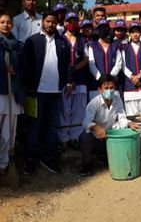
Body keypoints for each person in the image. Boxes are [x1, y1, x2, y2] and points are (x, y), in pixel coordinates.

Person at [23, 12, 73, 175]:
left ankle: (49, 158)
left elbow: (67, 64)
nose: (51, 24)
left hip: (56, 92)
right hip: (36, 91)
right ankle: (30, 160)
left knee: (52, 127)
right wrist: (27, 86)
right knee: (34, 127)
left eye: (53, 22)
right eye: (48, 21)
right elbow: (26, 65)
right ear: (42, 22)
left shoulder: (62, 42)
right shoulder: (33, 41)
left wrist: (68, 81)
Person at [79, 74, 139, 176]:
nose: (109, 91)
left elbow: (121, 118)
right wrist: (96, 128)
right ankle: (86, 165)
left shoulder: (117, 100)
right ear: (100, 90)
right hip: (95, 138)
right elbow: (85, 122)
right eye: (106, 88)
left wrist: (129, 123)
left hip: (109, 138)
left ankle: (105, 158)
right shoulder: (94, 103)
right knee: (84, 137)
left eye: (111, 88)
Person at [58, 12, 88, 150]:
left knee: (78, 111)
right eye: (70, 21)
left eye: (75, 21)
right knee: (64, 110)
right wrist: (68, 78)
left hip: (80, 79)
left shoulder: (82, 39)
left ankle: (75, 137)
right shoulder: (60, 39)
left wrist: (74, 69)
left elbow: (86, 59)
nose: (73, 23)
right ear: (65, 22)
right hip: (63, 80)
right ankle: (64, 138)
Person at [0, 13, 24, 174]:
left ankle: (5, 162)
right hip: (0, 91)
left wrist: (15, 71)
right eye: (2, 22)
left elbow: (25, 67)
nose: (5, 25)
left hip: (13, 90)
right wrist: (3, 68)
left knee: (10, 131)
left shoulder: (18, 45)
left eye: (8, 22)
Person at [87, 19, 122, 101]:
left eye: (105, 27)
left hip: (112, 84)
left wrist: (111, 76)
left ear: (109, 30)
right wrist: (100, 77)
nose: (103, 30)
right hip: (96, 86)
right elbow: (91, 63)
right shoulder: (92, 45)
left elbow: (119, 63)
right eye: (101, 28)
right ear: (97, 30)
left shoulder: (115, 45)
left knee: (113, 111)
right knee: (98, 111)